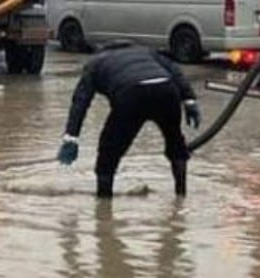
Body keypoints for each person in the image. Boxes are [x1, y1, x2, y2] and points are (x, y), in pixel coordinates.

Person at [57, 41, 201, 199]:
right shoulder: (146, 51)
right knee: (176, 145)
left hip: (131, 94)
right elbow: (175, 71)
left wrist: (71, 137)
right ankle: (181, 197)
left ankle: (104, 208)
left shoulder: (95, 64)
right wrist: (189, 100)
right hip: (166, 89)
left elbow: (81, 101)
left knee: (108, 153)